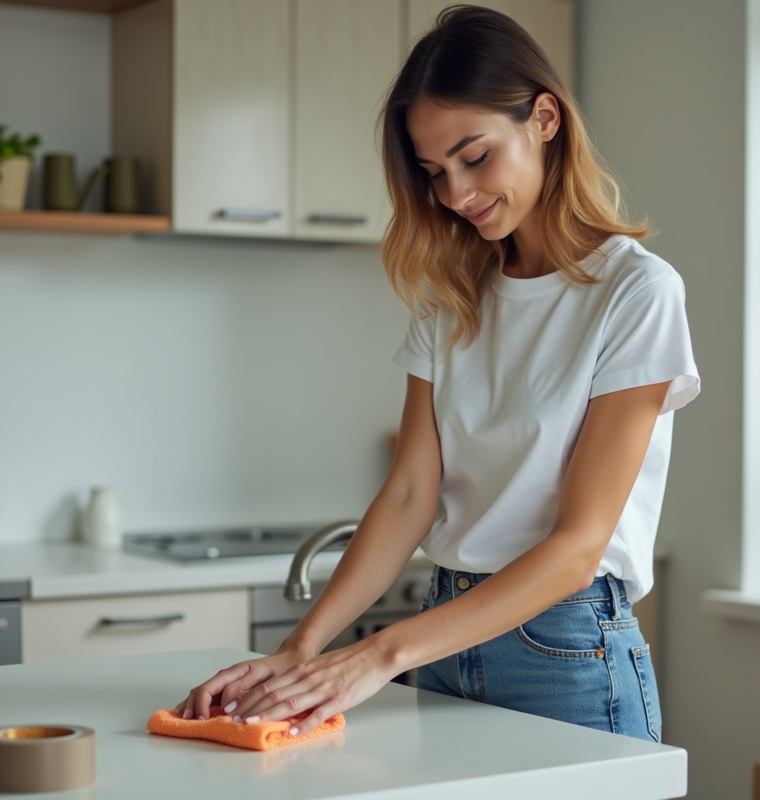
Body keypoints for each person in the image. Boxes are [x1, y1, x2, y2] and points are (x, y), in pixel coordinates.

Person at [176, 4, 699, 742]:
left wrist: (376, 656)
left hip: (565, 649)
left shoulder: (636, 292)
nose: (454, 194)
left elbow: (577, 549)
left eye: (474, 156)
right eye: (433, 172)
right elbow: (410, 495)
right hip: (444, 639)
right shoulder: (453, 293)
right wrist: (300, 650)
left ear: (544, 119)